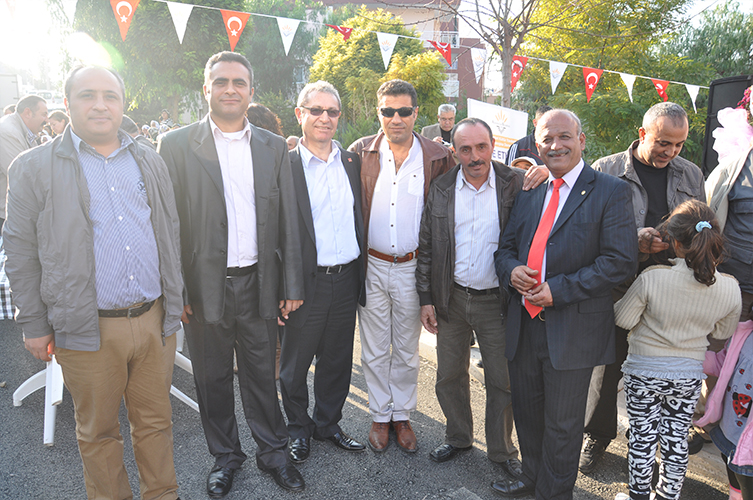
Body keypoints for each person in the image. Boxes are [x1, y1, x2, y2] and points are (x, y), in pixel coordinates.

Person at [4, 65, 184, 500]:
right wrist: (34, 323)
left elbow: (169, 229)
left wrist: (177, 300)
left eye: (110, 96)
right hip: (87, 326)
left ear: (123, 104)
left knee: (156, 424)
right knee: (98, 432)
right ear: (67, 104)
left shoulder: (149, 159)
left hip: (154, 319)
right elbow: (20, 251)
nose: (100, 105)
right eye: (88, 95)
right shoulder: (32, 167)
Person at [158, 51, 305, 497]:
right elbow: (168, 225)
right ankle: (225, 457)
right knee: (212, 379)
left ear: (250, 91)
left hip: (259, 284)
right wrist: (177, 290)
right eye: (220, 81)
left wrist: (291, 284)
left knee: (262, 376)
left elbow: (288, 220)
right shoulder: (176, 145)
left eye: (239, 83)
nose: (230, 89)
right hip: (203, 288)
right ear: (206, 89)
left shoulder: (274, 146)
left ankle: (274, 454)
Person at [492, 109, 638, 499]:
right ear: (536, 145)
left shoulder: (610, 190)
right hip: (523, 323)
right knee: (527, 412)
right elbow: (505, 248)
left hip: (574, 328)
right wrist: (512, 270)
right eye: (547, 139)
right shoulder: (531, 188)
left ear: (581, 140)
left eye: (564, 137)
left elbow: (620, 262)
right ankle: (532, 477)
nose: (555, 145)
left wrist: (559, 290)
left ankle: (554, 493)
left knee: (563, 424)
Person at [581, 102, 706, 473]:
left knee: (662, 371)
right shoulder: (605, 169)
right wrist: (633, 240)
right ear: (642, 134)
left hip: (671, 289)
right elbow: (586, 231)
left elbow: (702, 225)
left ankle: (651, 448)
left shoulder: (691, 174)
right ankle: (597, 435)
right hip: (618, 286)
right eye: (663, 142)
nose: (671, 152)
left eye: (679, 144)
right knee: (607, 367)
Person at [348, 80, 455, 453]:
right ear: (378, 113)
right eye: (388, 111)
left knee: (407, 349)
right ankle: (380, 414)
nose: (396, 118)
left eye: (404, 111)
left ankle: (402, 415)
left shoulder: (437, 156)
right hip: (372, 265)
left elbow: (477, 174)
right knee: (375, 348)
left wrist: (536, 173)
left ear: (415, 113)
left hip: (414, 267)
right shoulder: (360, 152)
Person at [416, 117, 523, 477]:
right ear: (455, 152)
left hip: (498, 301)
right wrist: (426, 298)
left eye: (481, 147)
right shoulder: (442, 187)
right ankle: (458, 437)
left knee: (502, 380)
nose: (475, 156)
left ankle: (502, 451)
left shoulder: (516, 184)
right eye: (465, 149)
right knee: (449, 375)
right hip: (452, 299)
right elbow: (427, 246)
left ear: (493, 146)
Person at [613, 199, 741, 500]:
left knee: (643, 437)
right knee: (676, 439)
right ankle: (668, 496)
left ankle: (638, 495)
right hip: (688, 374)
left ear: (675, 242)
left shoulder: (652, 278)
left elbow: (623, 319)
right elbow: (722, 333)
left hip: (644, 371)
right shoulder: (729, 287)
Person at [280, 80, 367, 464]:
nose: (324, 118)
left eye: (332, 111)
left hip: (346, 279)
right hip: (304, 284)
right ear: (300, 114)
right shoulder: (285, 165)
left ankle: (327, 425)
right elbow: (275, 232)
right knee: (295, 365)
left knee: (337, 361)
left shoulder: (351, 162)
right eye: (316, 110)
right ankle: (298, 429)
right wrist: (283, 287)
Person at [697, 320, 753, 500]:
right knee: (735, 482)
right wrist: (691, 355)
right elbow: (722, 363)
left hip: (750, 450)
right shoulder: (744, 334)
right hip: (730, 433)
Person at [0, 94, 48, 226]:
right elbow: (23, 175)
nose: (47, 120)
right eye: (44, 114)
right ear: (28, 113)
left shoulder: (21, 130)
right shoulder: (7, 132)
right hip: (7, 214)